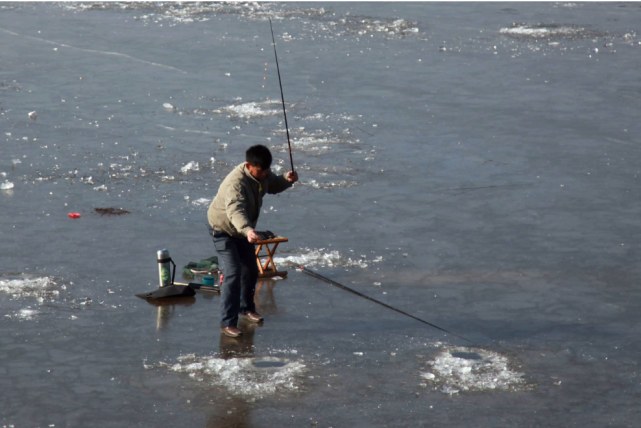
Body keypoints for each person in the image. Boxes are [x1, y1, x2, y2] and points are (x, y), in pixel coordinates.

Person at [207, 145, 298, 338]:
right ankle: (227, 322)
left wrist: (286, 180)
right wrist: (248, 230)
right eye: (261, 171)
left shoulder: (262, 173)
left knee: (251, 269)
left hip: (243, 232)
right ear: (249, 166)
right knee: (233, 272)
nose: (265, 174)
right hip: (223, 230)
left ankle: (245, 309)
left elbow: (273, 184)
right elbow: (235, 210)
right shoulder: (236, 183)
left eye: (266, 170)